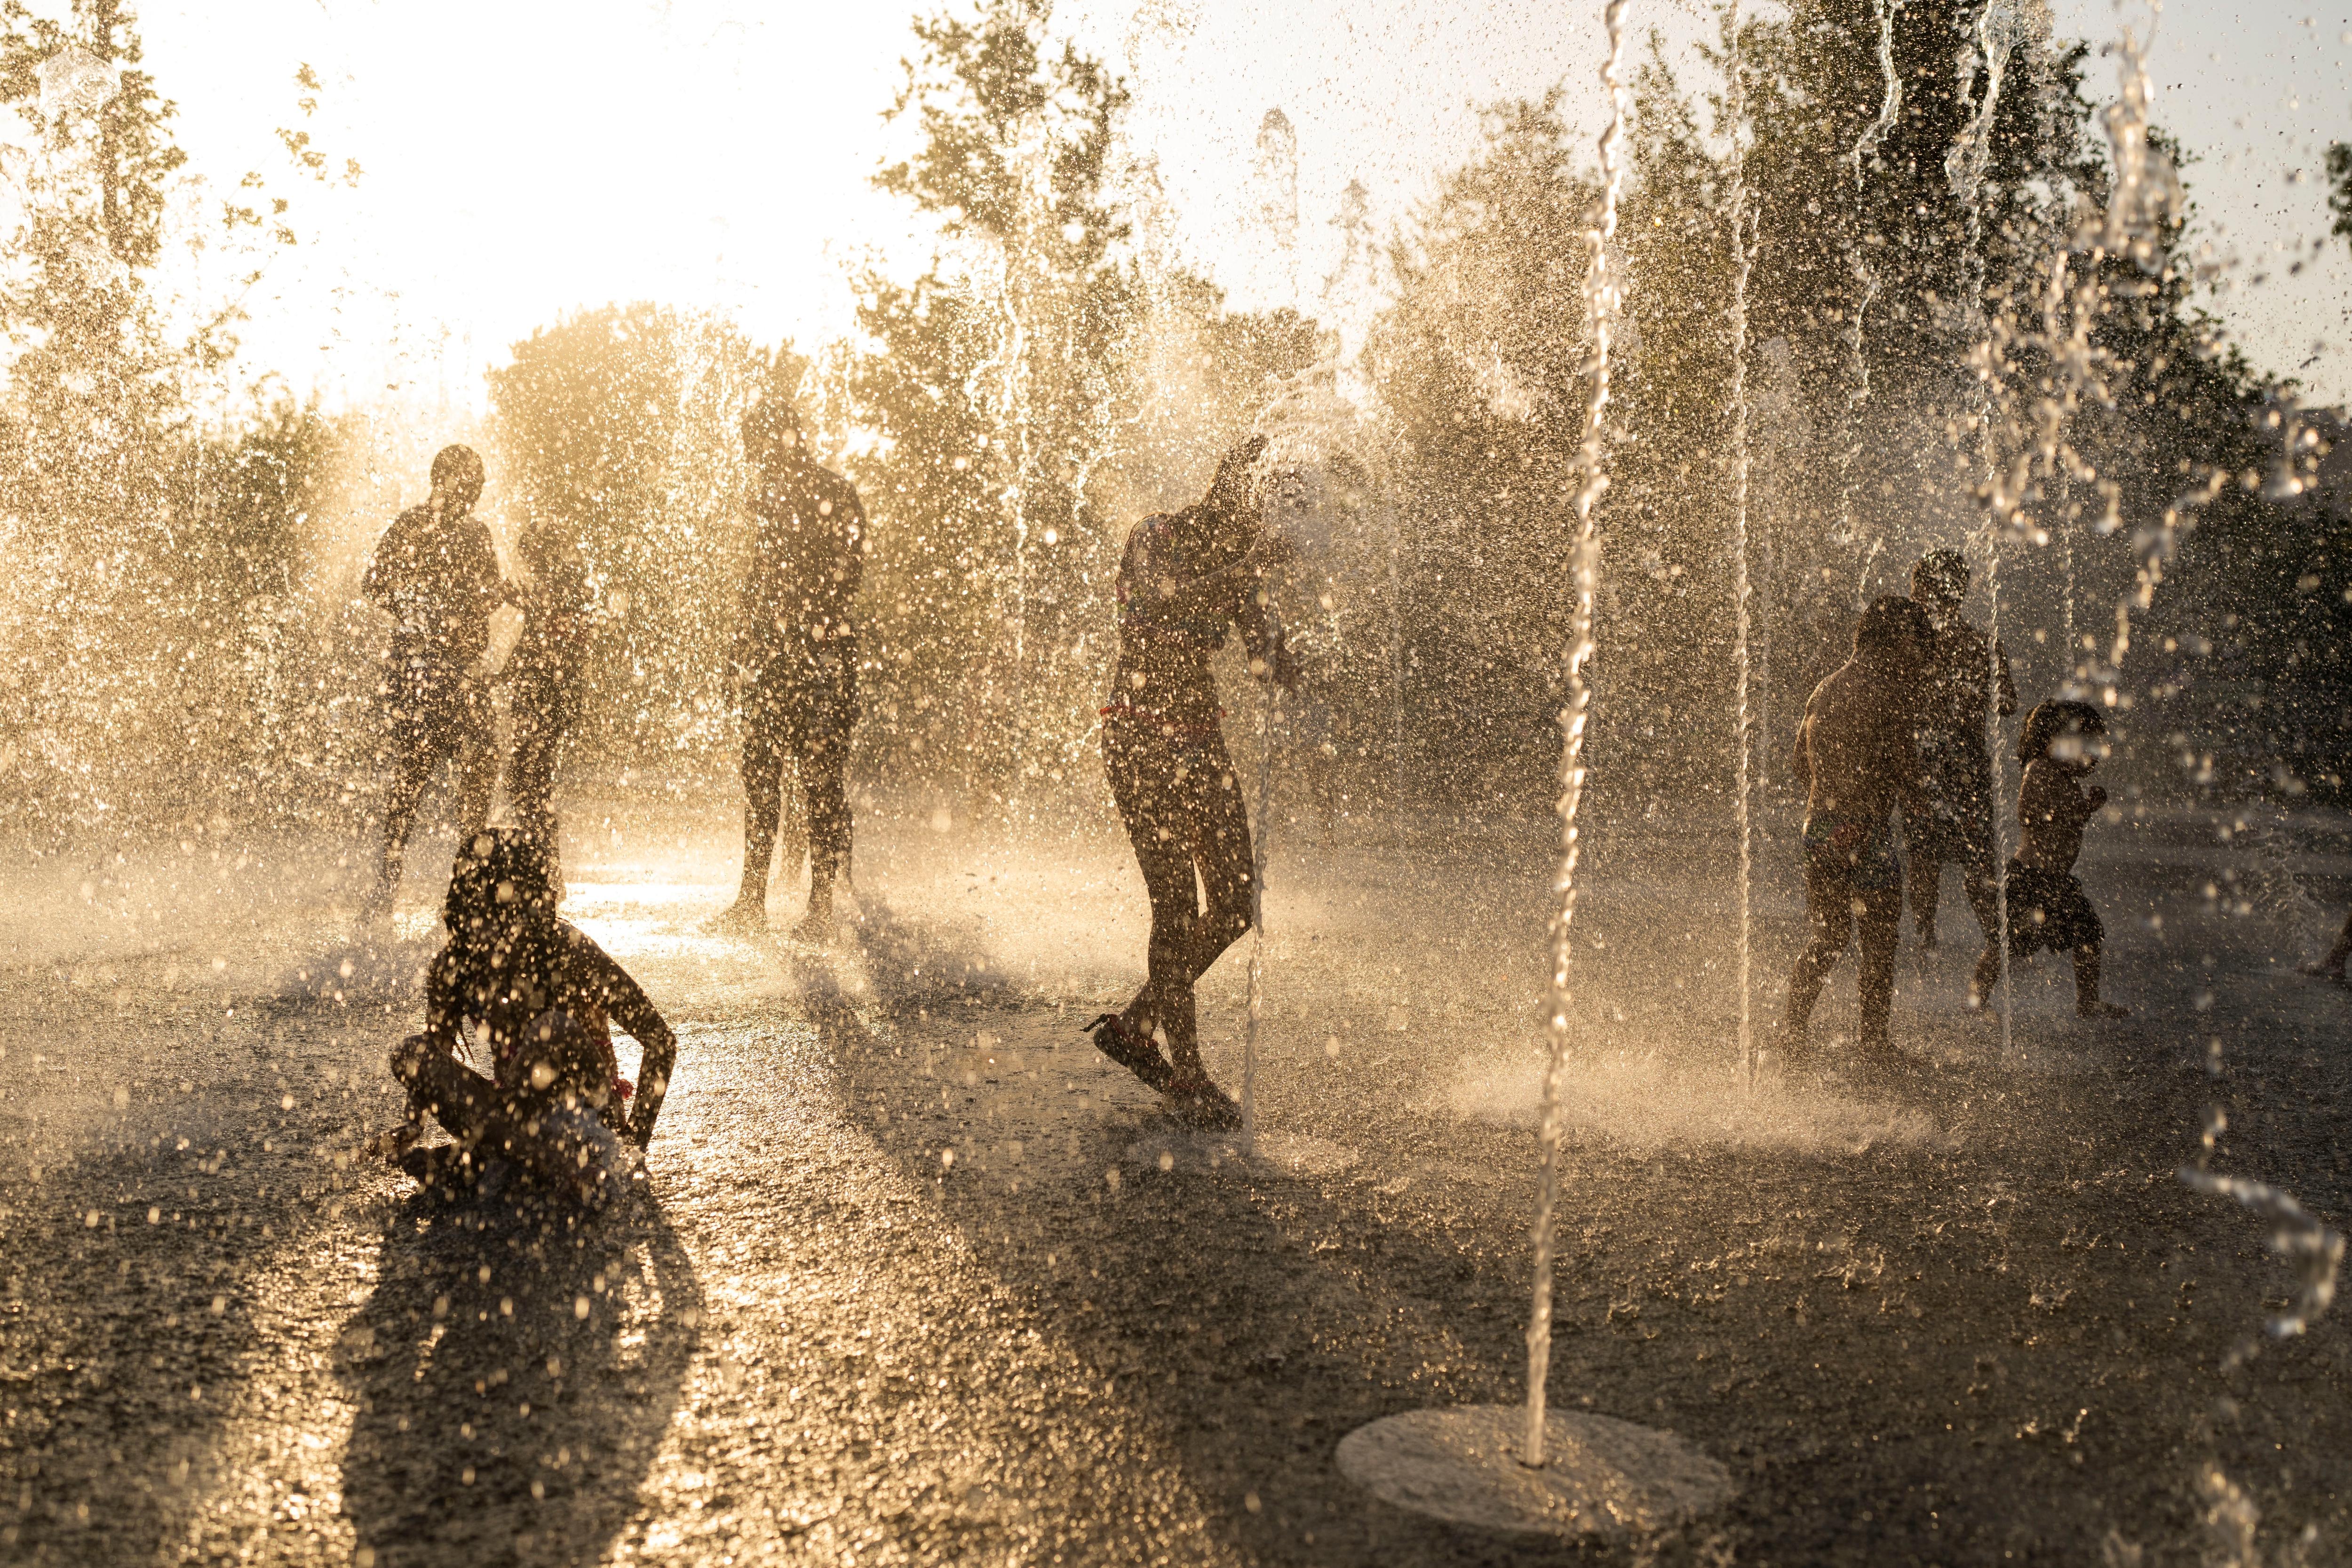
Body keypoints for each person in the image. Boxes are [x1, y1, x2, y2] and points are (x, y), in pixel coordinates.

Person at [1083, 436, 1297, 1125]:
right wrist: (1248, 571)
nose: (1267, 526)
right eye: (1261, 510)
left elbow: (1263, 657)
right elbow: (1161, 605)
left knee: (1236, 901)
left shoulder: (1241, 568)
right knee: (1175, 903)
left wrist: (1284, 657)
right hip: (1140, 736)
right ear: (1228, 497)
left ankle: (1138, 1023)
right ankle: (1190, 1076)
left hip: (1200, 740)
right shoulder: (1156, 536)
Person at [377, 829, 676, 1202]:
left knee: (550, 1029)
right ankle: (519, 1159)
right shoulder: (455, 966)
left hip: (587, 1115)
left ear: (529, 904)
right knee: (411, 1054)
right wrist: (412, 1123)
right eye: (479, 912)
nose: (492, 929)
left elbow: (660, 1040)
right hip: (511, 1120)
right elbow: (434, 1054)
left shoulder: (570, 950)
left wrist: (635, 1143)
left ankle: (484, 1161)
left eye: (500, 911)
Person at [710, 392, 867, 940]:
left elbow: (847, 578)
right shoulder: (775, 494)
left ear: (779, 440)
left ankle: (819, 905)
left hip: (818, 654)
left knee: (816, 781)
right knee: (764, 773)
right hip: (789, 656)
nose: (752, 457)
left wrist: (797, 613)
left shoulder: (831, 492)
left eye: (756, 446)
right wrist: (738, 652)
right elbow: (758, 579)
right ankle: (754, 898)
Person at [1777, 595, 1934, 1066]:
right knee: (1879, 941)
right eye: (1918, 644)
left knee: (1827, 937)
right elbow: (1905, 768)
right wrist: (1918, 809)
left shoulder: (1824, 689)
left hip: (1822, 827)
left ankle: (1792, 1031)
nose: (1921, 657)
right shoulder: (1889, 690)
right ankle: (1874, 1041)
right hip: (1866, 830)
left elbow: (1797, 764)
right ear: (1901, 640)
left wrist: (1832, 805)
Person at [360, 445, 506, 920]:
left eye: (479, 483)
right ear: (443, 481)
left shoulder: (474, 533)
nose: (476, 491)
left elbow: (487, 594)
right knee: (415, 773)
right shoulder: (412, 526)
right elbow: (374, 584)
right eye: (469, 482)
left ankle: (463, 883)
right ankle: (389, 881)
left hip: (459, 670)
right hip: (422, 671)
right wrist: (423, 612)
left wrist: (476, 606)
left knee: (475, 765)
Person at [1979, 700, 2130, 1019]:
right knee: (2007, 941)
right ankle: (1976, 996)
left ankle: (2088, 1001)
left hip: (2056, 881)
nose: (2091, 755)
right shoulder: (2038, 771)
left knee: (2088, 931)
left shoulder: (2066, 779)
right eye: (2083, 744)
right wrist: (2079, 810)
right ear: (2053, 742)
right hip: (2031, 877)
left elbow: (2068, 820)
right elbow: (2032, 815)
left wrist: (2086, 808)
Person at [1903, 548, 2017, 954]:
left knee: (1925, 853)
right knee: (1976, 853)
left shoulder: (1913, 649)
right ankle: (1993, 934)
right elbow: (2007, 703)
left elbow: (1895, 701)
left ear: (1937, 593)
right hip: (1966, 764)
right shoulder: (1980, 644)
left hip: (1927, 764)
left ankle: (1926, 934)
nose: (1914, 599)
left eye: (1919, 591)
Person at [502, 518, 596, 897]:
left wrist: (525, 602)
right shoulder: (560, 580)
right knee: (527, 780)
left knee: (529, 780)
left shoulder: (567, 580)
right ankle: (545, 868)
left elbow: (555, 634)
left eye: (533, 556)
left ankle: (548, 873)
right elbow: (538, 638)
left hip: (549, 694)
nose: (530, 564)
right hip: (546, 692)